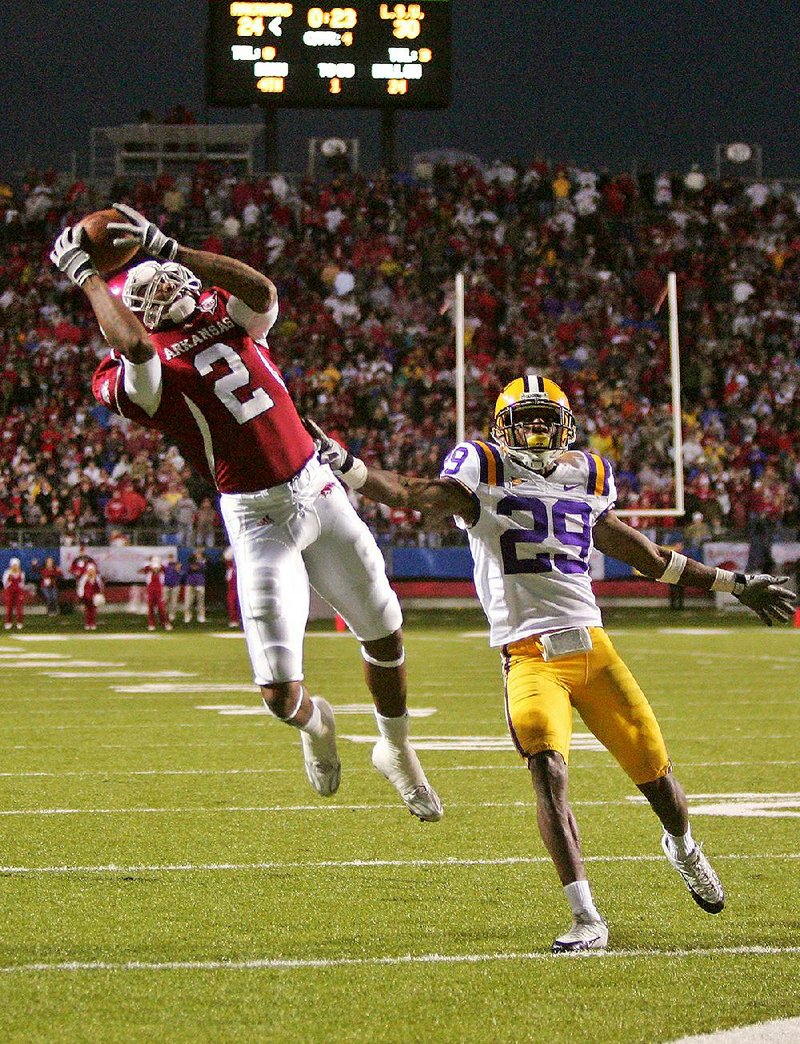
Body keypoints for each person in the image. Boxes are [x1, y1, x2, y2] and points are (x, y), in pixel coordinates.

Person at [308, 375, 794, 952]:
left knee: (656, 775)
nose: (536, 431)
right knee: (548, 769)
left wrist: (735, 583)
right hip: (527, 654)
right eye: (526, 420)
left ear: (562, 426)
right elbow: (412, 492)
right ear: (502, 426)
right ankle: (586, 916)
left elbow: (649, 557)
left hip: (591, 647)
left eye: (545, 420)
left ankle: (683, 846)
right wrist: (349, 465)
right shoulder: (481, 470)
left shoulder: (587, 475)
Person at [49, 205, 442, 822]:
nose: (171, 286)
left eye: (171, 276)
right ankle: (319, 727)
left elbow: (260, 289)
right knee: (281, 694)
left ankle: (396, 749)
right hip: (258, 518)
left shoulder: (223, 316)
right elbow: (131, 346)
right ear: (137, 307)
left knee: (385, 631)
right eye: (151, 286)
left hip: (318, 486)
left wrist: (167, 244)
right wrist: (86, 274)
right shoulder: (139, 367)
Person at [140, 555, 172, 631]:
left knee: (161, 607)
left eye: (157, 567)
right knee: (150, 607)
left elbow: (167, 569)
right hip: (150, 589)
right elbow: (141, 571)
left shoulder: (162, 568)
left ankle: (165, 623)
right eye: (154, 567)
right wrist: (149, 567)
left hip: (159, 590)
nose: (156, 569)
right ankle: (151, 624)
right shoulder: (148, 568)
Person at [76, 562, 104, 631]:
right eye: (90, 570)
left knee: (93, 611)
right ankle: (87, 623)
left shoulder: (97, 578)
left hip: (94, 597)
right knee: (87, 610)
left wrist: (100, 594)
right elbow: (81, 587)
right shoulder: (84, 578)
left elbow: (100, 587)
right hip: (86, 596)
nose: (91, 571)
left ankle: (93, 623)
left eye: (93, 570)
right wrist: (81, 595)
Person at [183, 548, 207, 624]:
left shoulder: (204, 560)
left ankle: (201, 616)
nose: (198, 554)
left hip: (200, 583)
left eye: (199, 553)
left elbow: (203, 568)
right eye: (197, 553)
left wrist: (198, 565)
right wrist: (194, 567)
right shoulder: (190, 560)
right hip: (190, 583)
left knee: (200, 601)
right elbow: (187, 569)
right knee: (188, 601)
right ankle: (187, 616)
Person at [3, 557, 26, 630]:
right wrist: (9, 581)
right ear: (11, 565)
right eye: (13, 565)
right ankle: (8, 622)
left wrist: (20, 592)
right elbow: (4, 583)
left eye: (16, 565)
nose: (15, 566)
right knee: (9, 607)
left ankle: (19, 622)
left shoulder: (22, 573)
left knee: (19, 608)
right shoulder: (7, 572)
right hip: (9, 592)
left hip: (18, 592)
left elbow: (22, 584)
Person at [223, 546, 240, 628]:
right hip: (233, 582)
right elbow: (227, 556)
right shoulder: (231, 549)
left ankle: (242, 620)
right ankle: (233, 620)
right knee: (232, 601)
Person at [163, 553, 182, 623]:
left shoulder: (177, 565)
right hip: (166, 585)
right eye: (169, 558)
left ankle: (172, 615)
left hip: (175, 585)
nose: (171, 559)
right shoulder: (165, 565)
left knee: (174, 601)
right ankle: (164, 614)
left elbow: (180, 573)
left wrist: (178, 568)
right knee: (164, 600)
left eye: (172, 557)